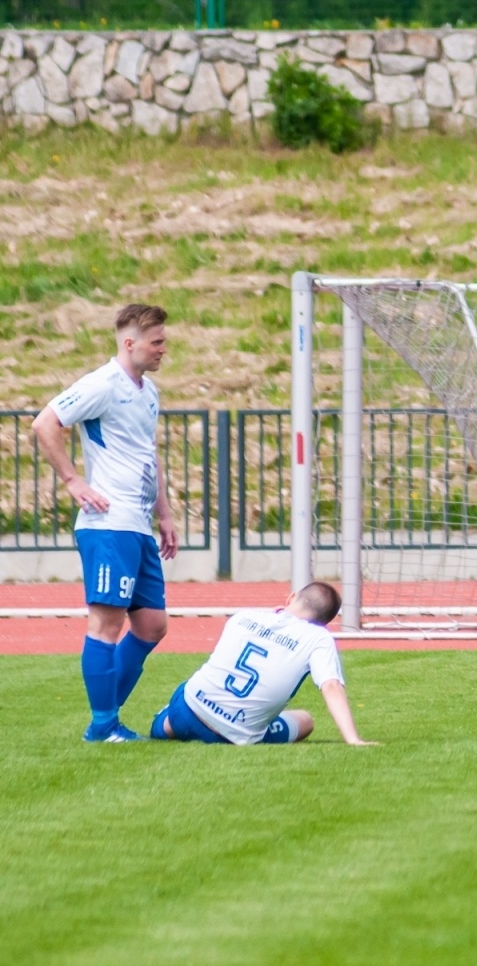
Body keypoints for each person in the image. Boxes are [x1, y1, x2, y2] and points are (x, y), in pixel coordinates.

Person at [33, 304, 179, 743]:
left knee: (153, 625)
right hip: (107, 524)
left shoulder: (147, 391)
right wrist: (72, 479)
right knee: (106, 624)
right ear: (129, 343)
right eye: (156, 341)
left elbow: (147, 453)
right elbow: (46, 423)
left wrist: (165, 513)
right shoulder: (101, 384)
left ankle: (106, 714)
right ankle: (103, 726)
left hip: (136, 524)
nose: (163, 349)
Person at [150, 582, 377, 747]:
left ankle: (166, 722)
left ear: (291, 598)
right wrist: (353, 739)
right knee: (305, 720)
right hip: (236, 734)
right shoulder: (318, 637)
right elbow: (331, 686)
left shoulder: (244, 616)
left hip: (188, 707)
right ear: (324, 622)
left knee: (185, 704)